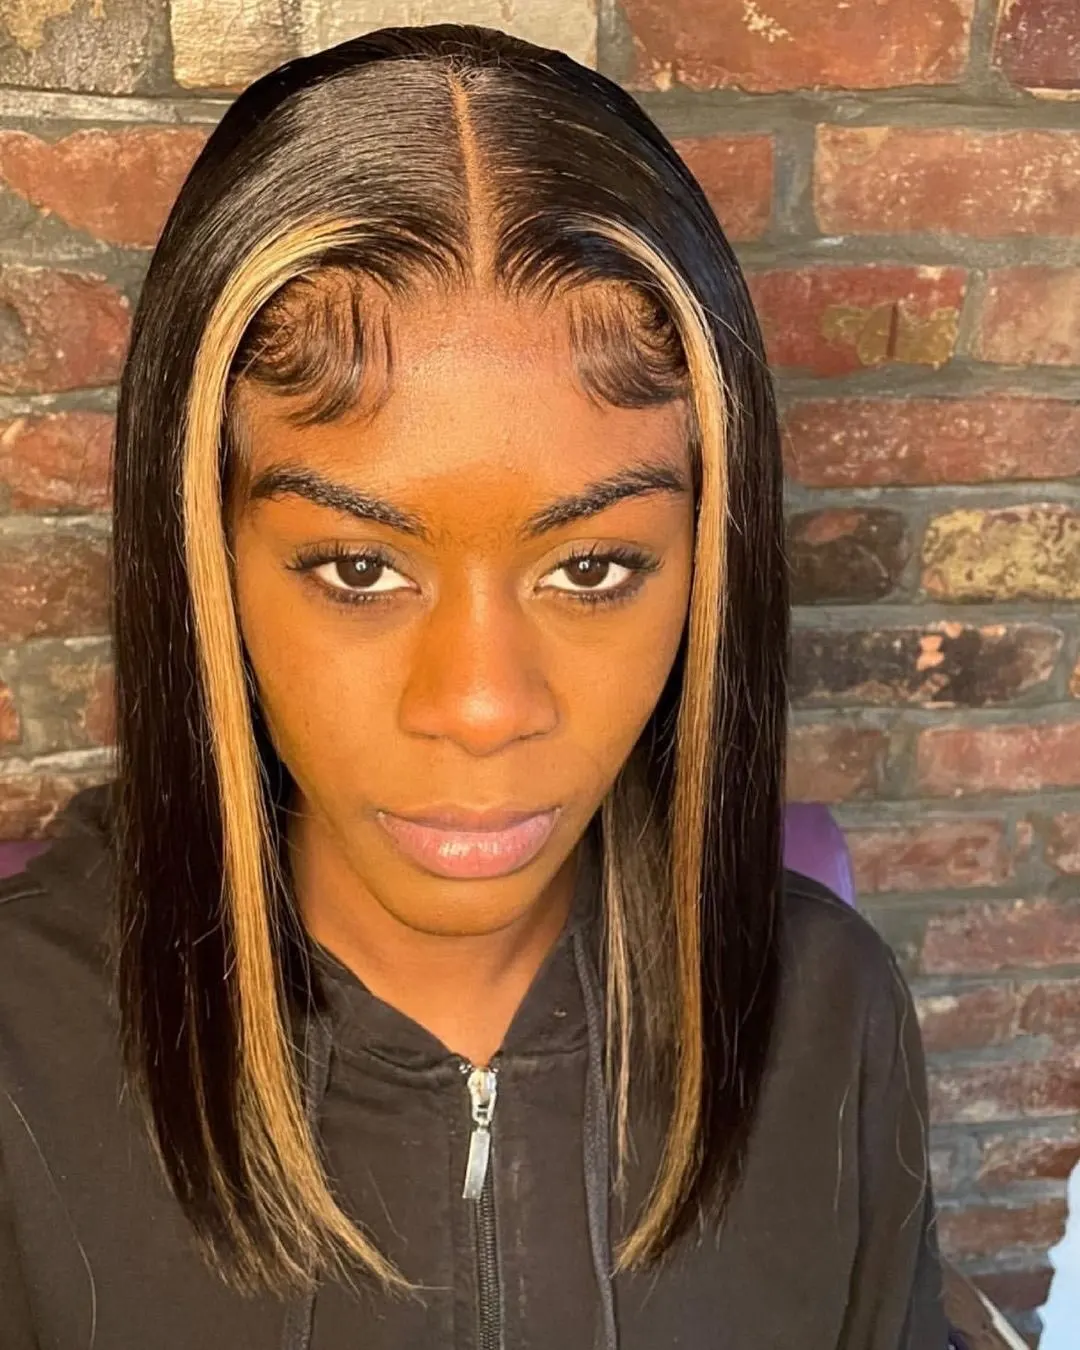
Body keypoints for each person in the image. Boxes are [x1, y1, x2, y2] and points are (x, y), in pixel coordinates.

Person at [0, 24, 949, 1349]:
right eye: (357, 568)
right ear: (204, 558)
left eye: (595, 567)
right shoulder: (23, 1047)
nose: (485, 705)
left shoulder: (831, 1019)